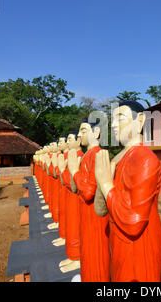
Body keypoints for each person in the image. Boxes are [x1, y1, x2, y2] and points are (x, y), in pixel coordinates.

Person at [95, 101, 161, 282]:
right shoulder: (119, 158)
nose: (113, 124)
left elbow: (134, 222)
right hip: (118, 241)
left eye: (120, 118)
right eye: (112, 119)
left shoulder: (145, 159)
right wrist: (103, 183)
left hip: (138, 246)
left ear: (140, 120)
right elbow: (100, 209)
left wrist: (105, 185)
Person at [67, 121, 110, 282]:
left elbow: (89, 192)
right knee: (86, 250)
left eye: (83, 130)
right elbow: (76, 187)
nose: (80, 135)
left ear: (96, 131)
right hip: (85, 216)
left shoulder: (97, 155)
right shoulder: (87, 155)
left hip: (94, 218)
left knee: (95, 254)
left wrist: (74, 171)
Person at [56, 132, 84, 273]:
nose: (66, 143)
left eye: (69, 139)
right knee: (68, 221)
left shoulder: (80, 157)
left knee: (74, 224)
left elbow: (73, 183)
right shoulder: (70, 156)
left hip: (76, 197)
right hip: (67, 194)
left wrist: (62, 170)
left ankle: (76, 256)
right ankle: (71, 252)